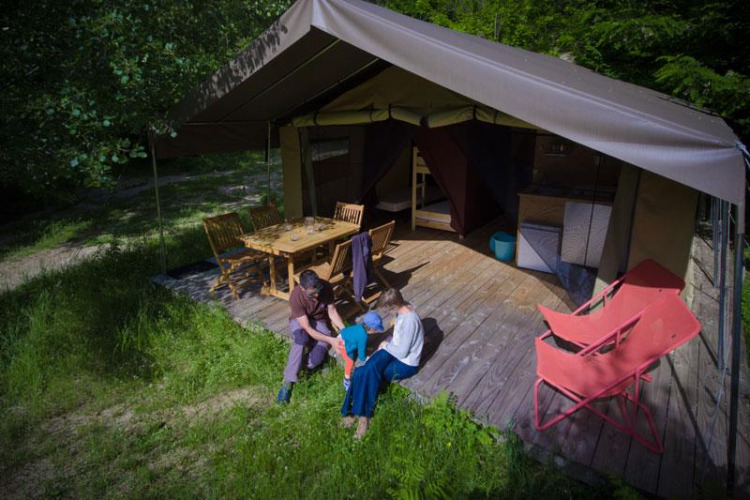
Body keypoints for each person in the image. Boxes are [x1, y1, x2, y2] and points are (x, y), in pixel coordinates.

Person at [341, 288, 424, 439]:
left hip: (405, 363)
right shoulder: (403, 309)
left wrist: (384, 345)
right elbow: (399, 339)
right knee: (364, 370)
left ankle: (363, 416)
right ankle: (358, 412)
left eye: (387, 310)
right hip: (393, 351)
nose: (387, 313)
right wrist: (387, 342)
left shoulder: (410, 320)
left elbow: (403, 352)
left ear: (393, 306)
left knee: (367, 373)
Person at [277, 269, 346, 404]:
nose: (317, 295)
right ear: (302, 288)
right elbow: (307, 328)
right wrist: (332, 340)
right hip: (300, 320)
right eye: (312, 294)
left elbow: (332, 311)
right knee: (302, 339)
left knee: (318, 356)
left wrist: (344, 330)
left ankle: (302, 368)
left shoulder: (326, 287)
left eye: (318, 290)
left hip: (319, 320)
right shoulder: (295, 296)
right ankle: (288, 381)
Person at [337, 311, 385, 391]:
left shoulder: (360, 327)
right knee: (350, 362)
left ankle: (354, 349)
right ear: (372, 329)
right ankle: (346, 379)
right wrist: (365, 357)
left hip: (342, 337)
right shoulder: (363, 336)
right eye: (376, 329)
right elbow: (361, 355)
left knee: (357, 346)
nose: (377, 331)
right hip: (342, 345)